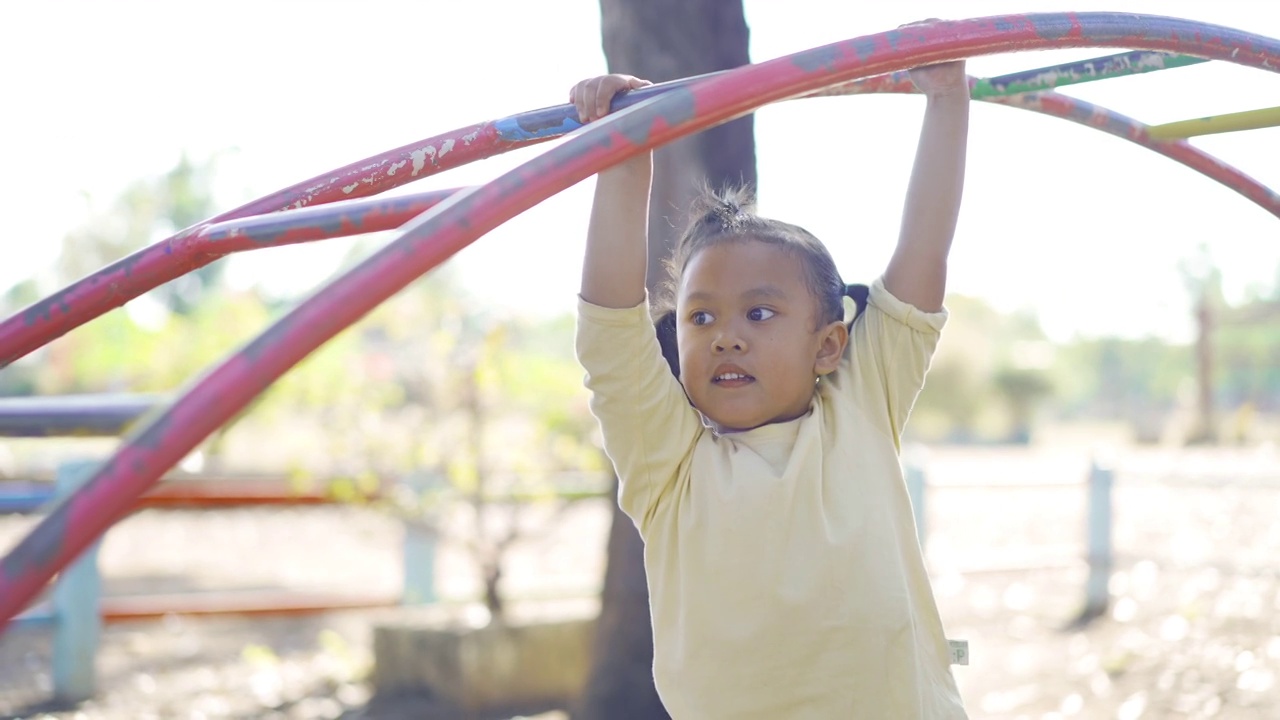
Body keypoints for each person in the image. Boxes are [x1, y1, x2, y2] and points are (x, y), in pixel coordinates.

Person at [571, 51, 971, 719]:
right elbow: (609, 330)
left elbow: (923, 256)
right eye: (702, 317)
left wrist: (947, 99)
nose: (727, 335)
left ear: (827, 345)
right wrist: (624, 155)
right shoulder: (669, 465)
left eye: (760, 313)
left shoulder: (861, 403)